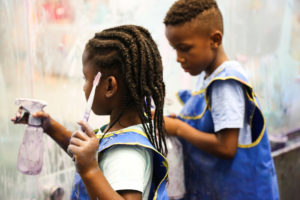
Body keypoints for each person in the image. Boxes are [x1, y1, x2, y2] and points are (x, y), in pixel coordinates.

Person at [12, 25, 169, 200]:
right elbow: (89, 154)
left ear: (109, 86)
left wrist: (90, 170)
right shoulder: (128, 129)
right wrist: (49, 126)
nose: (84, 86)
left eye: (86, 78)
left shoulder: (125, 154)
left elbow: (93, 163)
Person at [162, 0, 279, 199]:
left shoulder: (225, 82)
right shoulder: (205, 78)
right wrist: (179, 121)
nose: (179, 58)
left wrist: (179, 128)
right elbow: (208, 124)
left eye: (185, 48)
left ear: (215, 39)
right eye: (175, 49)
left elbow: (227, 147)